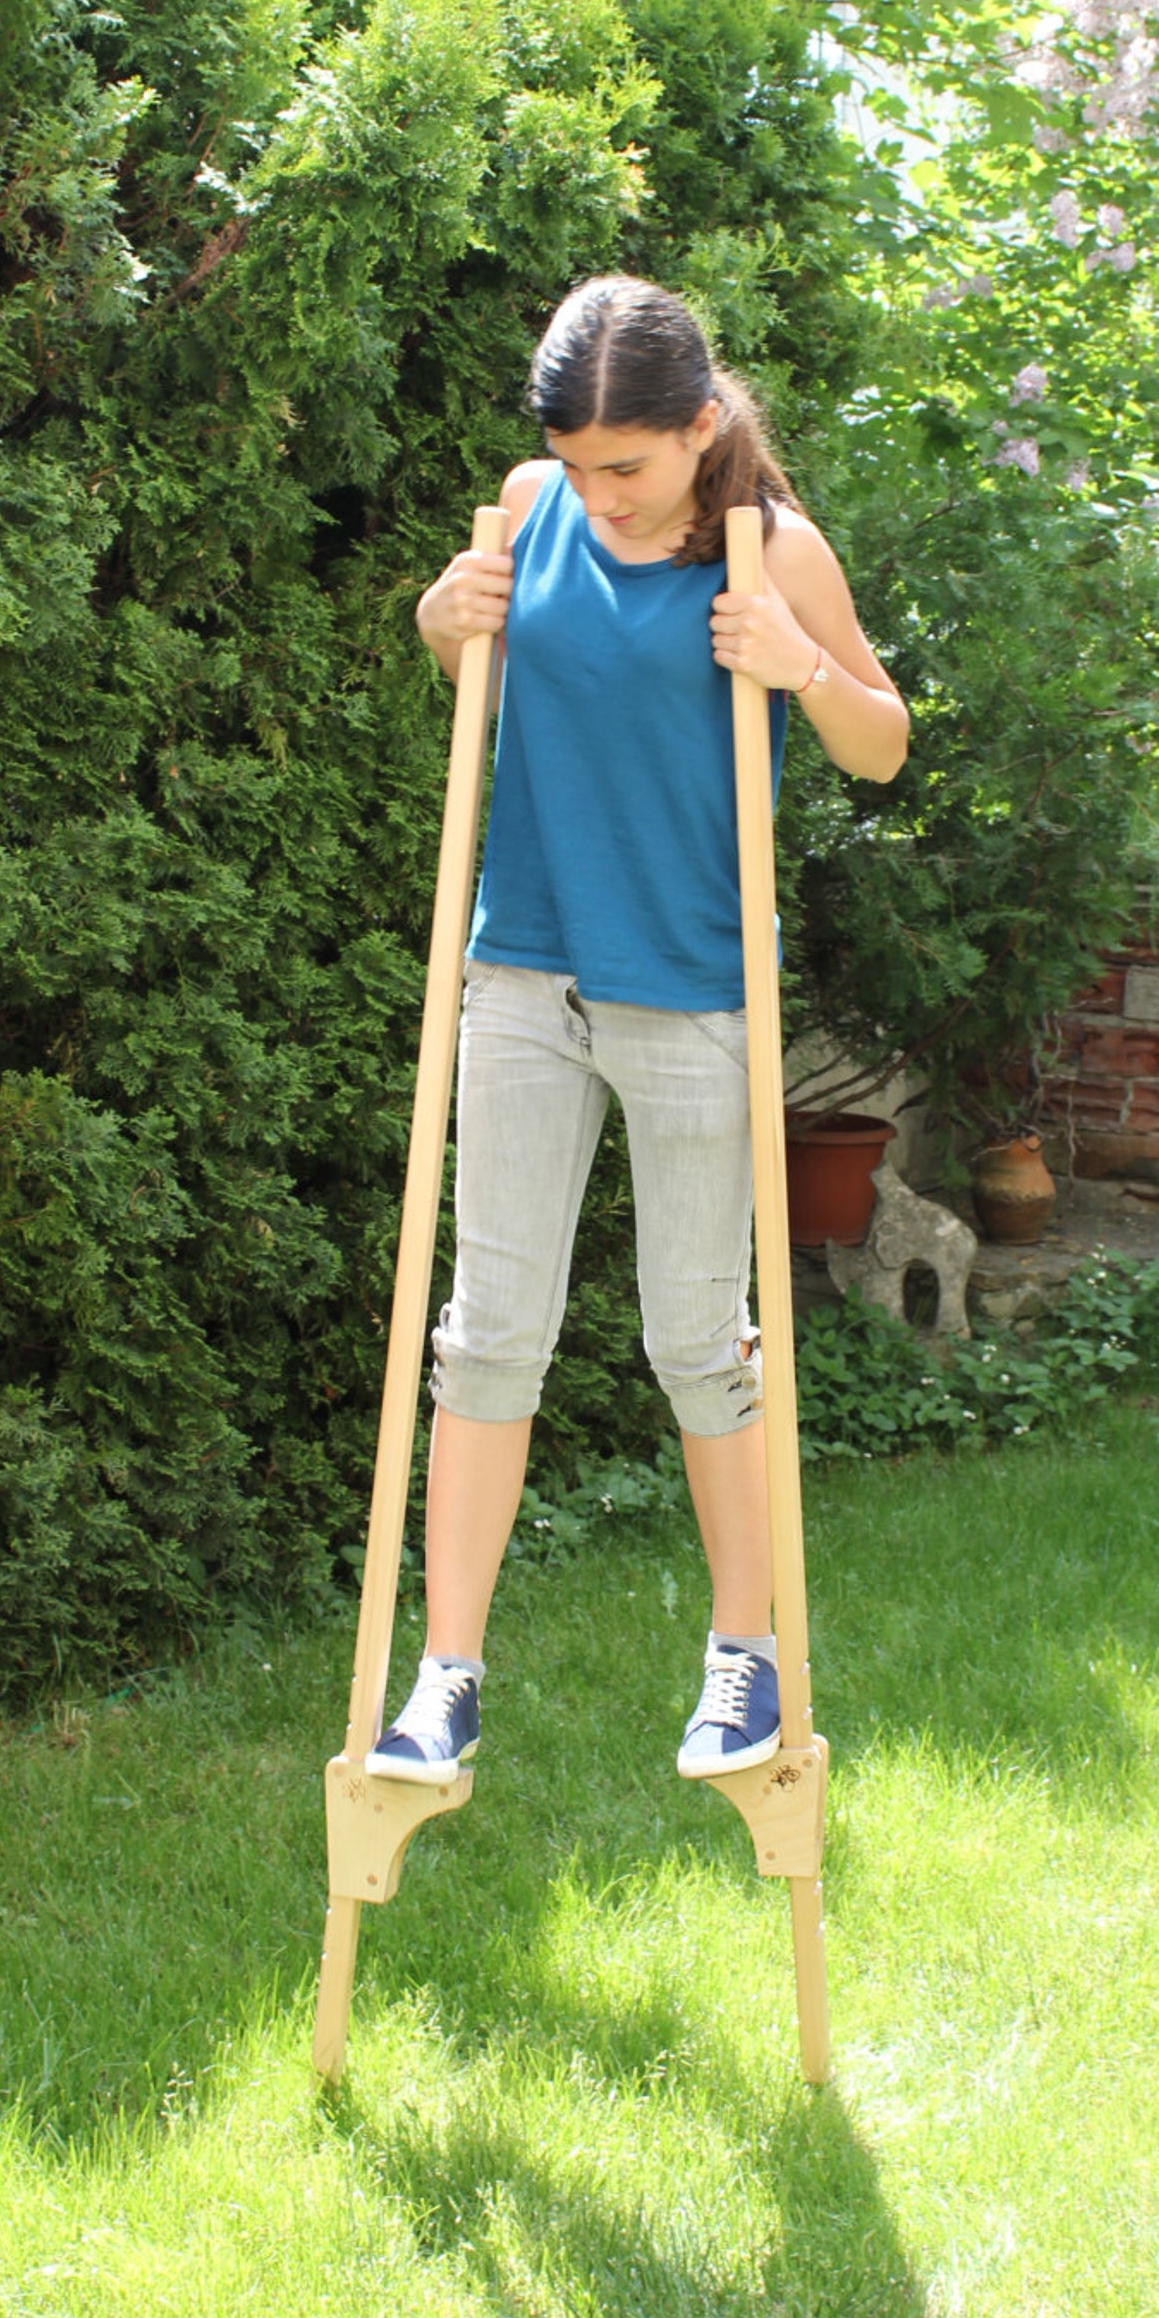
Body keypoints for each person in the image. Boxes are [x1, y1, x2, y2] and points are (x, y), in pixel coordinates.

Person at [367, 275, 908, 1786]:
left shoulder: (771, 545)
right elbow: (479, 664)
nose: (599, 493)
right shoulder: (526, 507)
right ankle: (445, 1681)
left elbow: (881, 739)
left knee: (696, 1341)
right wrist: (437, 617)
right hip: (525, 981)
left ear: (702, 424)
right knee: (485, 1339)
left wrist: (796, 665)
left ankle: (745, 1658)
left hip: (693, 993)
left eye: (631, 466)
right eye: (579, 460)